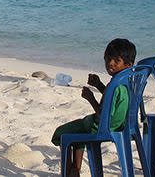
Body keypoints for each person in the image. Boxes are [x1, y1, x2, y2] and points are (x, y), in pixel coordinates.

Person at [51, 38, 136, 177]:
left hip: (101, 126)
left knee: (61, 134)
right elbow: (113, 101)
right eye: (108, 59)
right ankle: (75, 170)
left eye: (116, 60)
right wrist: (99, 85)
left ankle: (70, 171)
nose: (110, 64)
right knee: (77, 132)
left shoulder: (116, 84)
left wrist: (90, 98)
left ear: (128, 64)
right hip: (120, 125)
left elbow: (104, 115)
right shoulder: (125, 81)